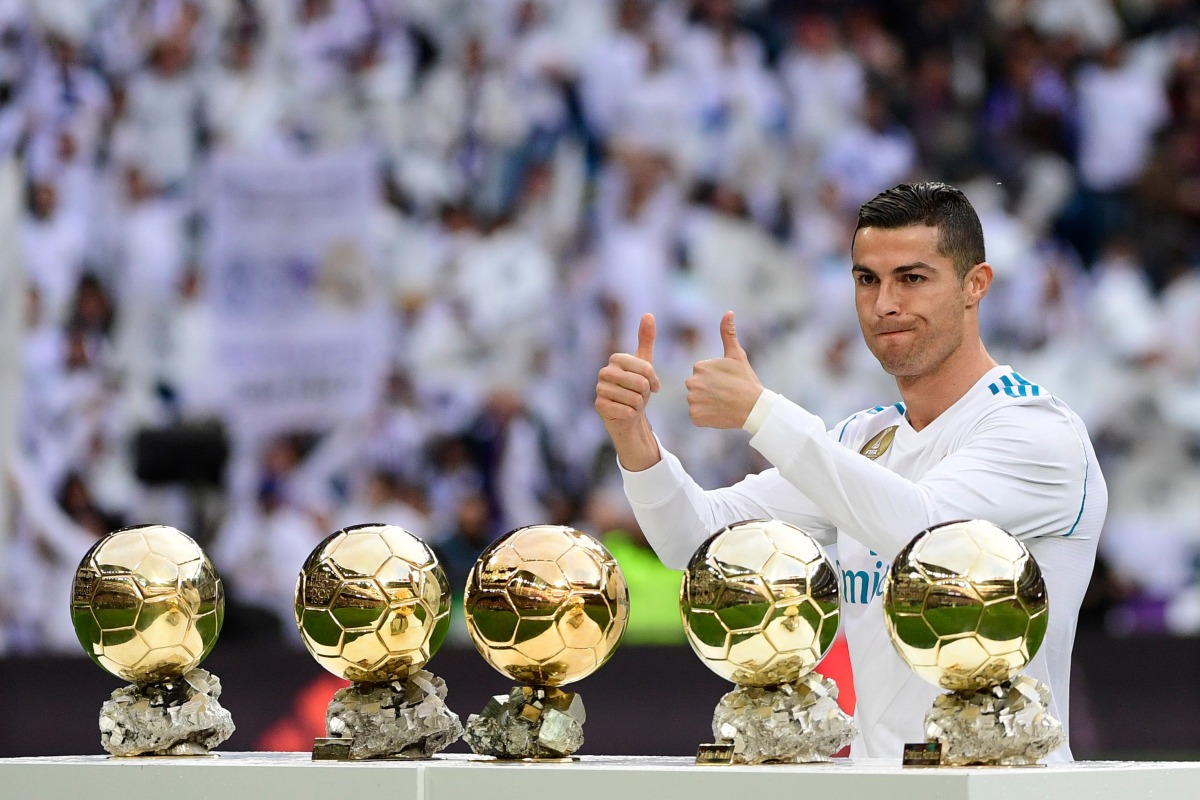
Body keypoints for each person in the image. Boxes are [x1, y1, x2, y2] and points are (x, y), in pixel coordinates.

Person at [594, 181, 1107, 761]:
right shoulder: (863, 442)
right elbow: (696, 540)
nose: (885, 303)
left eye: (912, 278)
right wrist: (635, 440)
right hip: (877, 786)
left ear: (975, 285)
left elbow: (930, 537)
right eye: (868, 279)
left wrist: (764, 414)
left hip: (1004, 791)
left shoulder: (1036, 430)